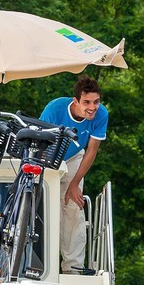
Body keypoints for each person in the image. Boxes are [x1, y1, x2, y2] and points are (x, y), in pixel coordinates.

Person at [39, 76, 107, 274]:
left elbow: (92, 150)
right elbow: (42, 142)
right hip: (49, 157)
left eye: (96, 101)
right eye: (87, 102)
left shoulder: (101, 114)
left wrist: (74, 184)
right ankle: (38, 263)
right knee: (43, 207)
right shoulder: (55, 109)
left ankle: (73, 267)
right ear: (75, 101)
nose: (92, 107)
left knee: (73, 206)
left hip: (74, 157)